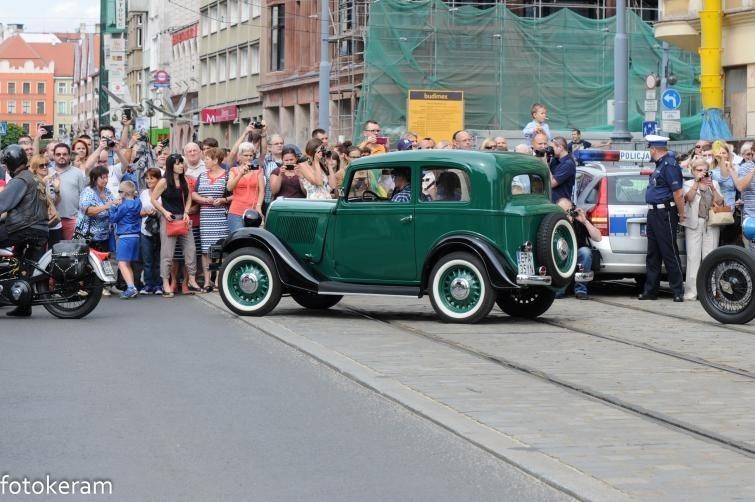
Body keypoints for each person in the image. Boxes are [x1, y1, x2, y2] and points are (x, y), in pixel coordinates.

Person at [0, 145, 49, 317]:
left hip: (25, 227)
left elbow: (2, 204)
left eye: (6, 164)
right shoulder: (34, 178)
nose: (6, 168)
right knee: (23, 264)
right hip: (41, 228)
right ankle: (23, 305)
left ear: (12, 163)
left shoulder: (20, 180)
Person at [638, 135, 685, 302]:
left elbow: (678, 193)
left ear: (653, 149)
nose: (649, 152)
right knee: (653, 254)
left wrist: (681, 213)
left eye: (649, 149)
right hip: (654, 213)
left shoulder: (669, 165)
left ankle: (678, 291)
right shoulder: (660, 165)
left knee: (669, 252)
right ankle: (650, 291)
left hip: (665, 213)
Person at [150, 153, 202, 298]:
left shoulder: (185, 179)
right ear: (170, 165)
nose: (181, 166)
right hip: (169, 219)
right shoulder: (164, 181)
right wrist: (165, 212)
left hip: (183, 219)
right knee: (167, 253)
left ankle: (192, 279)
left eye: (181, 163)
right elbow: (154, 199)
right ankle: (166, 283)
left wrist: (186, 212)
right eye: (178, 163)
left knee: (191, 249)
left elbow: (190, 197)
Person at [681, 159, 724, 301]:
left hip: (711, 223)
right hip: (694, 222)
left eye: (704, 170)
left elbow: (719, 202)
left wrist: (712, 187)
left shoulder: (715, 183)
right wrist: (696, 183)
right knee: (693, 258)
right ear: (693, 171)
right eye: (698, 170)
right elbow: (688, 198)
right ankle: (691, 292)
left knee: (710, 256)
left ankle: (710, 292)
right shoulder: (688, 184)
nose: (701, 173)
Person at [193, 147, 231, 292]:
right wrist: (203, 199)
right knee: (205, 251)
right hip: (206, 218)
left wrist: (223, 199)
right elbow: (193, 194)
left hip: (221, 217)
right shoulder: (202, 176)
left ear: (216, 160)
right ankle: (207, 281)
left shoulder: (227, 176)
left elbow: (235, 194)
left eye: (207, 159)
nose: (204, 161)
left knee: (221, 250)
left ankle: (218, 280)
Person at [556, 199, 602, 300]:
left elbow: (598, 237)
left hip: (577, 255)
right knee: (558, 294)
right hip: (560, 256)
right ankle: (560, 288)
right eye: (565, 212)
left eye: (570, 210)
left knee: (585, 252)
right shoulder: (554, 222)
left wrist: (585, 221)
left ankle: (581, 289)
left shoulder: (578, 220)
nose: (569, 214)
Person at [108, 180, 142, 299]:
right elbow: (136, 197)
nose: (118, 194)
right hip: (136, 236)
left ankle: (131, 288)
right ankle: (131, 287)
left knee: (122, 263)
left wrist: (113, 206)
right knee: (127, 263)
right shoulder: (138, 202)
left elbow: (113, 219)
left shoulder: (123, 206)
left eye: (120, 191)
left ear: (125, 193)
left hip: (125, 236)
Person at [52, 143, 87, 241]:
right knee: (52, 251)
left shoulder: (77, 172)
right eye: (58, 154)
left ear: (69, 156)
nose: (61, 156)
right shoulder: (48, 172)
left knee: (72, 250)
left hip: (72, 219)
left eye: (64, 154)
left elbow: (83, 196)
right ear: (54, 156)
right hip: (52, 221)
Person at [227, 142, 264, 233]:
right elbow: (229, 188)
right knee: (238, 239)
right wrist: (240, 174)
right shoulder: (234, 170)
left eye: (251, 155)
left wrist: (258, 206)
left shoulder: (258, 170)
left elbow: (262, 191)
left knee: (255, 239)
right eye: (246, 155)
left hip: (253, 210)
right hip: (236, 211)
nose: (249, 158)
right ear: (240, 156)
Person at [139, 167, 163, 295]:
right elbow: (139, 211)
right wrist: (145, 212)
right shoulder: (143, 193)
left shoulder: (163, 192)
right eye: (147, 178)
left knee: (158, 259)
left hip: (160, 230)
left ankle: (159, 285)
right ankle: (148, 284)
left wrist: (157, 212)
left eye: (151, 178)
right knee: (147, 260)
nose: (148, 180)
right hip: (145, 230)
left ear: (158, 179)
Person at [549, 136, 576, 204]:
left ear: (560, 148)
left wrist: (544, 163)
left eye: (553, 148)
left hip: (561, 205)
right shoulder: (555, 160)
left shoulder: (568, 164)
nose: (551, 150)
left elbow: (551, 183)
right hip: (552, 203)